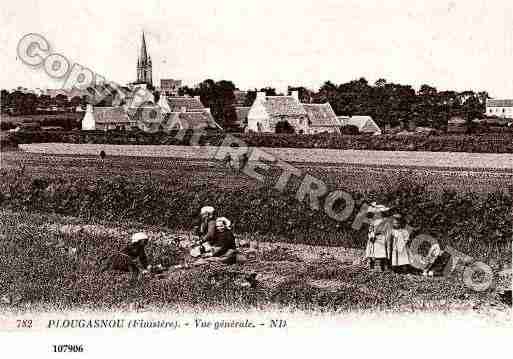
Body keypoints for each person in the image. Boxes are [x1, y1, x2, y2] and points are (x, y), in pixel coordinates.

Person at [364, 202, 393, 271]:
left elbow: (387, 231)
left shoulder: (386, 221)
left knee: (380, 253)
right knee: (372, 252)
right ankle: (372, 266)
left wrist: (377, 233)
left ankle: (382, 267)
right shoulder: (373, 221)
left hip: (381, 238)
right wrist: (371, 234)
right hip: (374, 239)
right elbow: (371, 230)